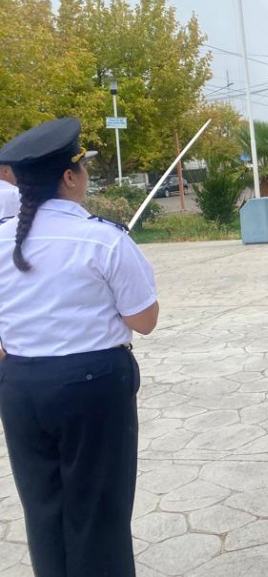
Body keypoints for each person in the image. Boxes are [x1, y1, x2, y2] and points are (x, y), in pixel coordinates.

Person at [0, 117, 158, 577]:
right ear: (70, 176)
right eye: (83, 168)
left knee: (44, 510)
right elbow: (144, 321)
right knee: (99, 514)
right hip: (93, 388)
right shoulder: (102, 239)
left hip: (22, 386)